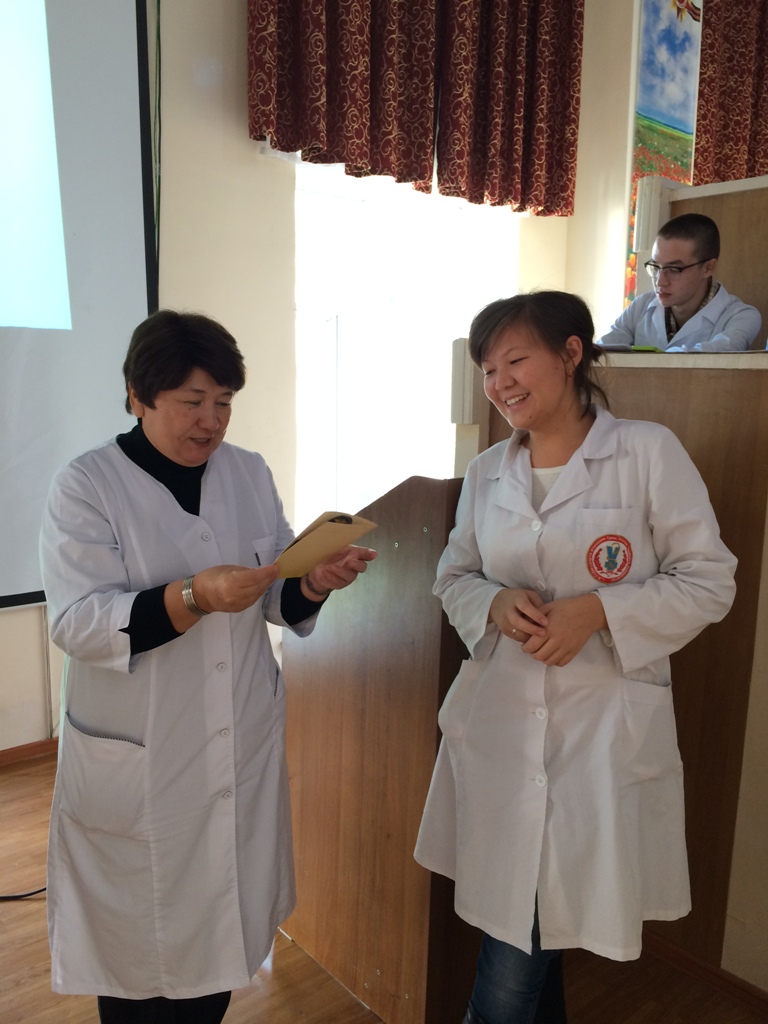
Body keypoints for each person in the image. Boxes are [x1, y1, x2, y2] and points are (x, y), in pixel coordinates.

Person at [39, 309, 377, 1024]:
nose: (211, 421)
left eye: (224, 402)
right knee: (138, 964)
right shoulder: (87, 485)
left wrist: (314, 581)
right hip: (142, 754)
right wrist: (194, 596)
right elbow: (78, 622)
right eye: (192, 401)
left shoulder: (247, 471)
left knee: (221, 940)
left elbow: (274, 590)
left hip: (235, 741)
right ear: (138, 395)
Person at [414, 291, 737, 1023]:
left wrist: (598, 612)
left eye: (515, 360)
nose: (500, 383)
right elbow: (454, 576)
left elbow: (710, 580)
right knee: (528, 929)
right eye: (488, 369)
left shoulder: (646, 452)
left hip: (600, 738)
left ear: (570, 354)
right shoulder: (488, 470)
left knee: (518, 951)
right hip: (500, 732)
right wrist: (494, 602)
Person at [599, 213, 761, 351]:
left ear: (708, 268)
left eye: (674, 269)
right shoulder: (640, 306)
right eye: (655, 267)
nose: (660, 282)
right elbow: (600, 354)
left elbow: (706, 361)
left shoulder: (741, 316)